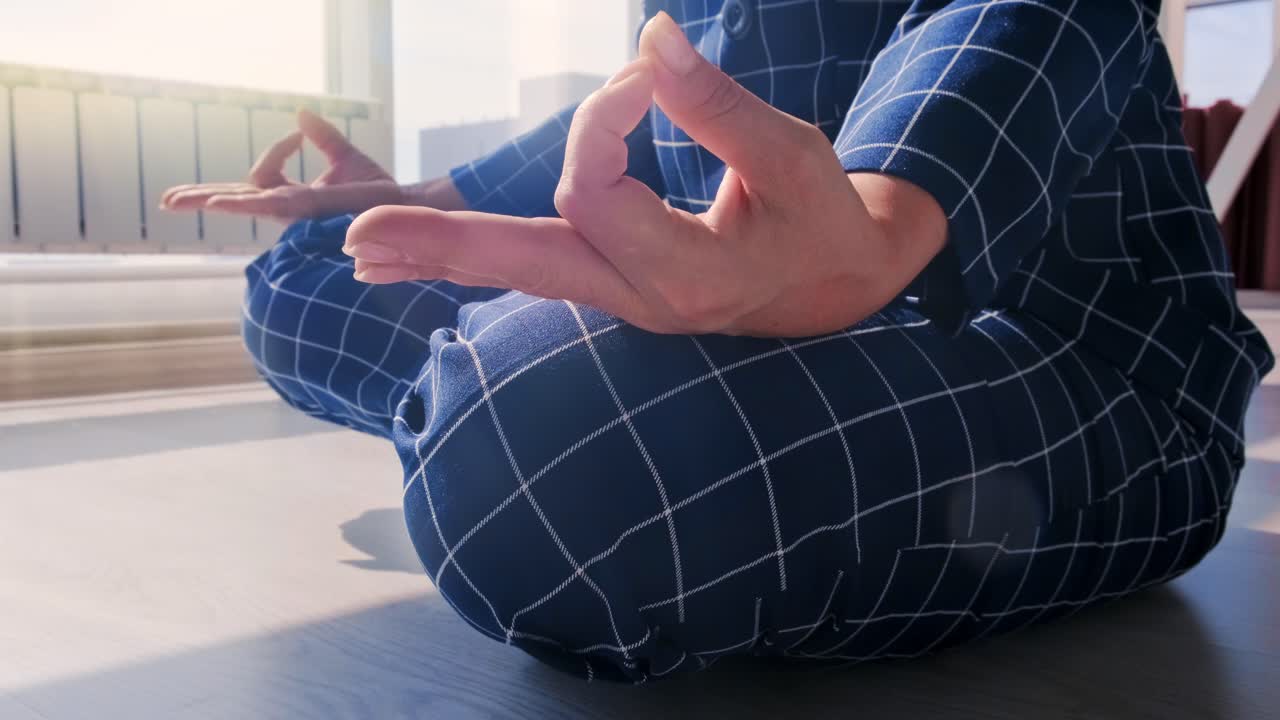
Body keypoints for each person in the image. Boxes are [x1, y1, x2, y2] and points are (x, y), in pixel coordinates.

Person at [163, 3, 1273, 682]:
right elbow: (640, 108)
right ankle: (500, 369)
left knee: (538, 470)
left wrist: (884, 221)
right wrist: (406, 196)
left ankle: (491, 384)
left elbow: (1035, 14)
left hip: (1079, 362)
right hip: (747, 304)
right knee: (297, 278)